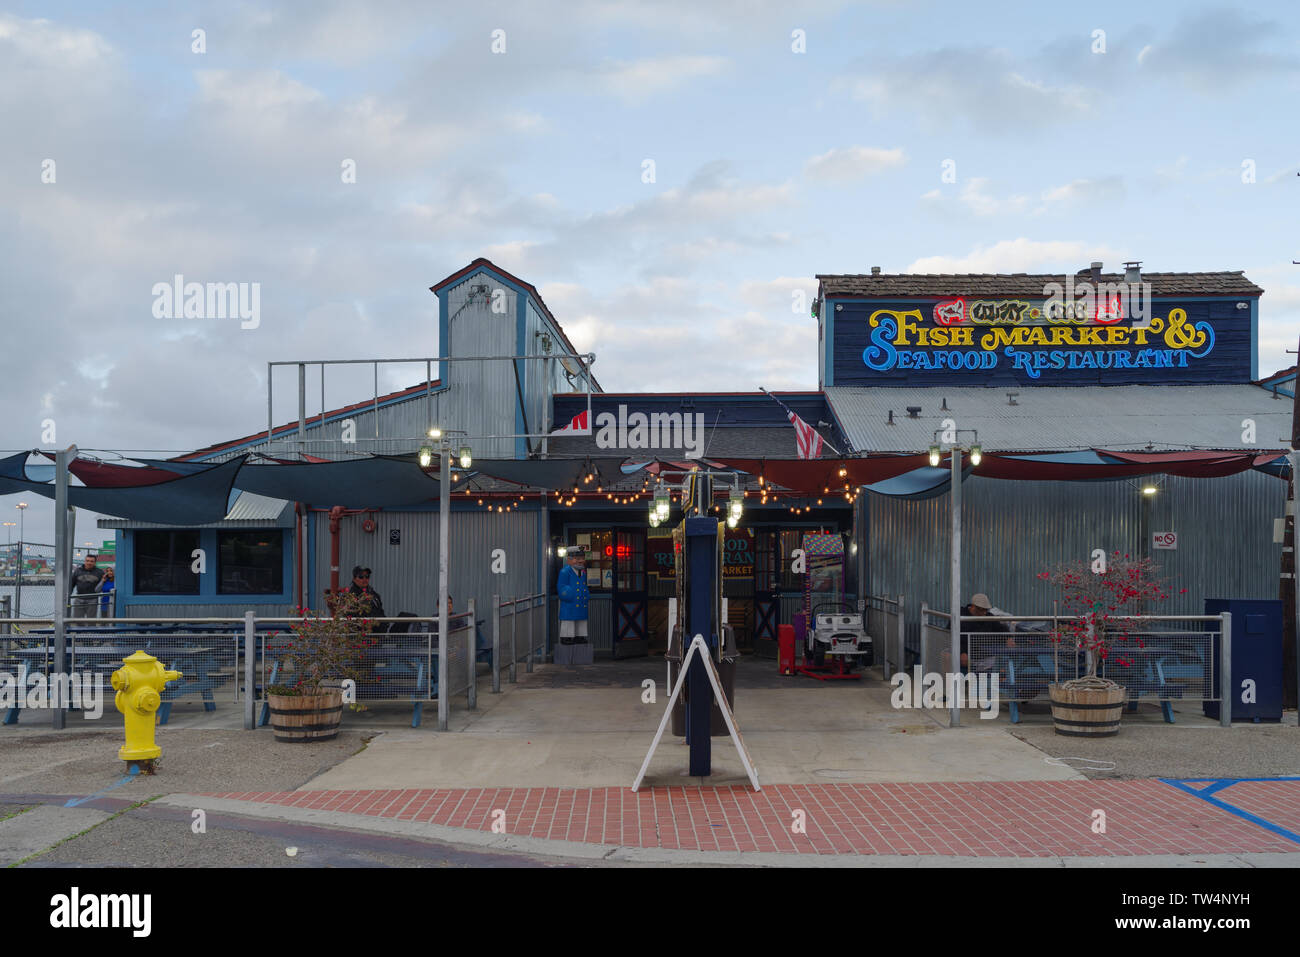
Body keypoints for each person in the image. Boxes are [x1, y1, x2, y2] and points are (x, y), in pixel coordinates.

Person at [557, 549, 589, 645]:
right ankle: (567, 636)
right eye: (577, 558)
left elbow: (583, 585)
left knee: (581, 619)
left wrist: (586, 594)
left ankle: (580, 636)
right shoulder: (565, 571)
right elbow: (561, 587)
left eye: (582, 558)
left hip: (580, 601)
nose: (580, 561)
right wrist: (570, 594)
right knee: (568, 620)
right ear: (569, 560)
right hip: (570, 601)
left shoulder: (582, 572)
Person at [69, 553, 105, 618]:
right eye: (87, 561)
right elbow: (72, 584)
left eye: (91, 561)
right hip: (79, 598)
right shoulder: (77, 571)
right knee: (77, 620)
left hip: (93, 599)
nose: (89, 563)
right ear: (85, 561)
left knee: (91, 621)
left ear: (95, 563)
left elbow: (104, 585)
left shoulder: (100, 572)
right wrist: (68, 595)